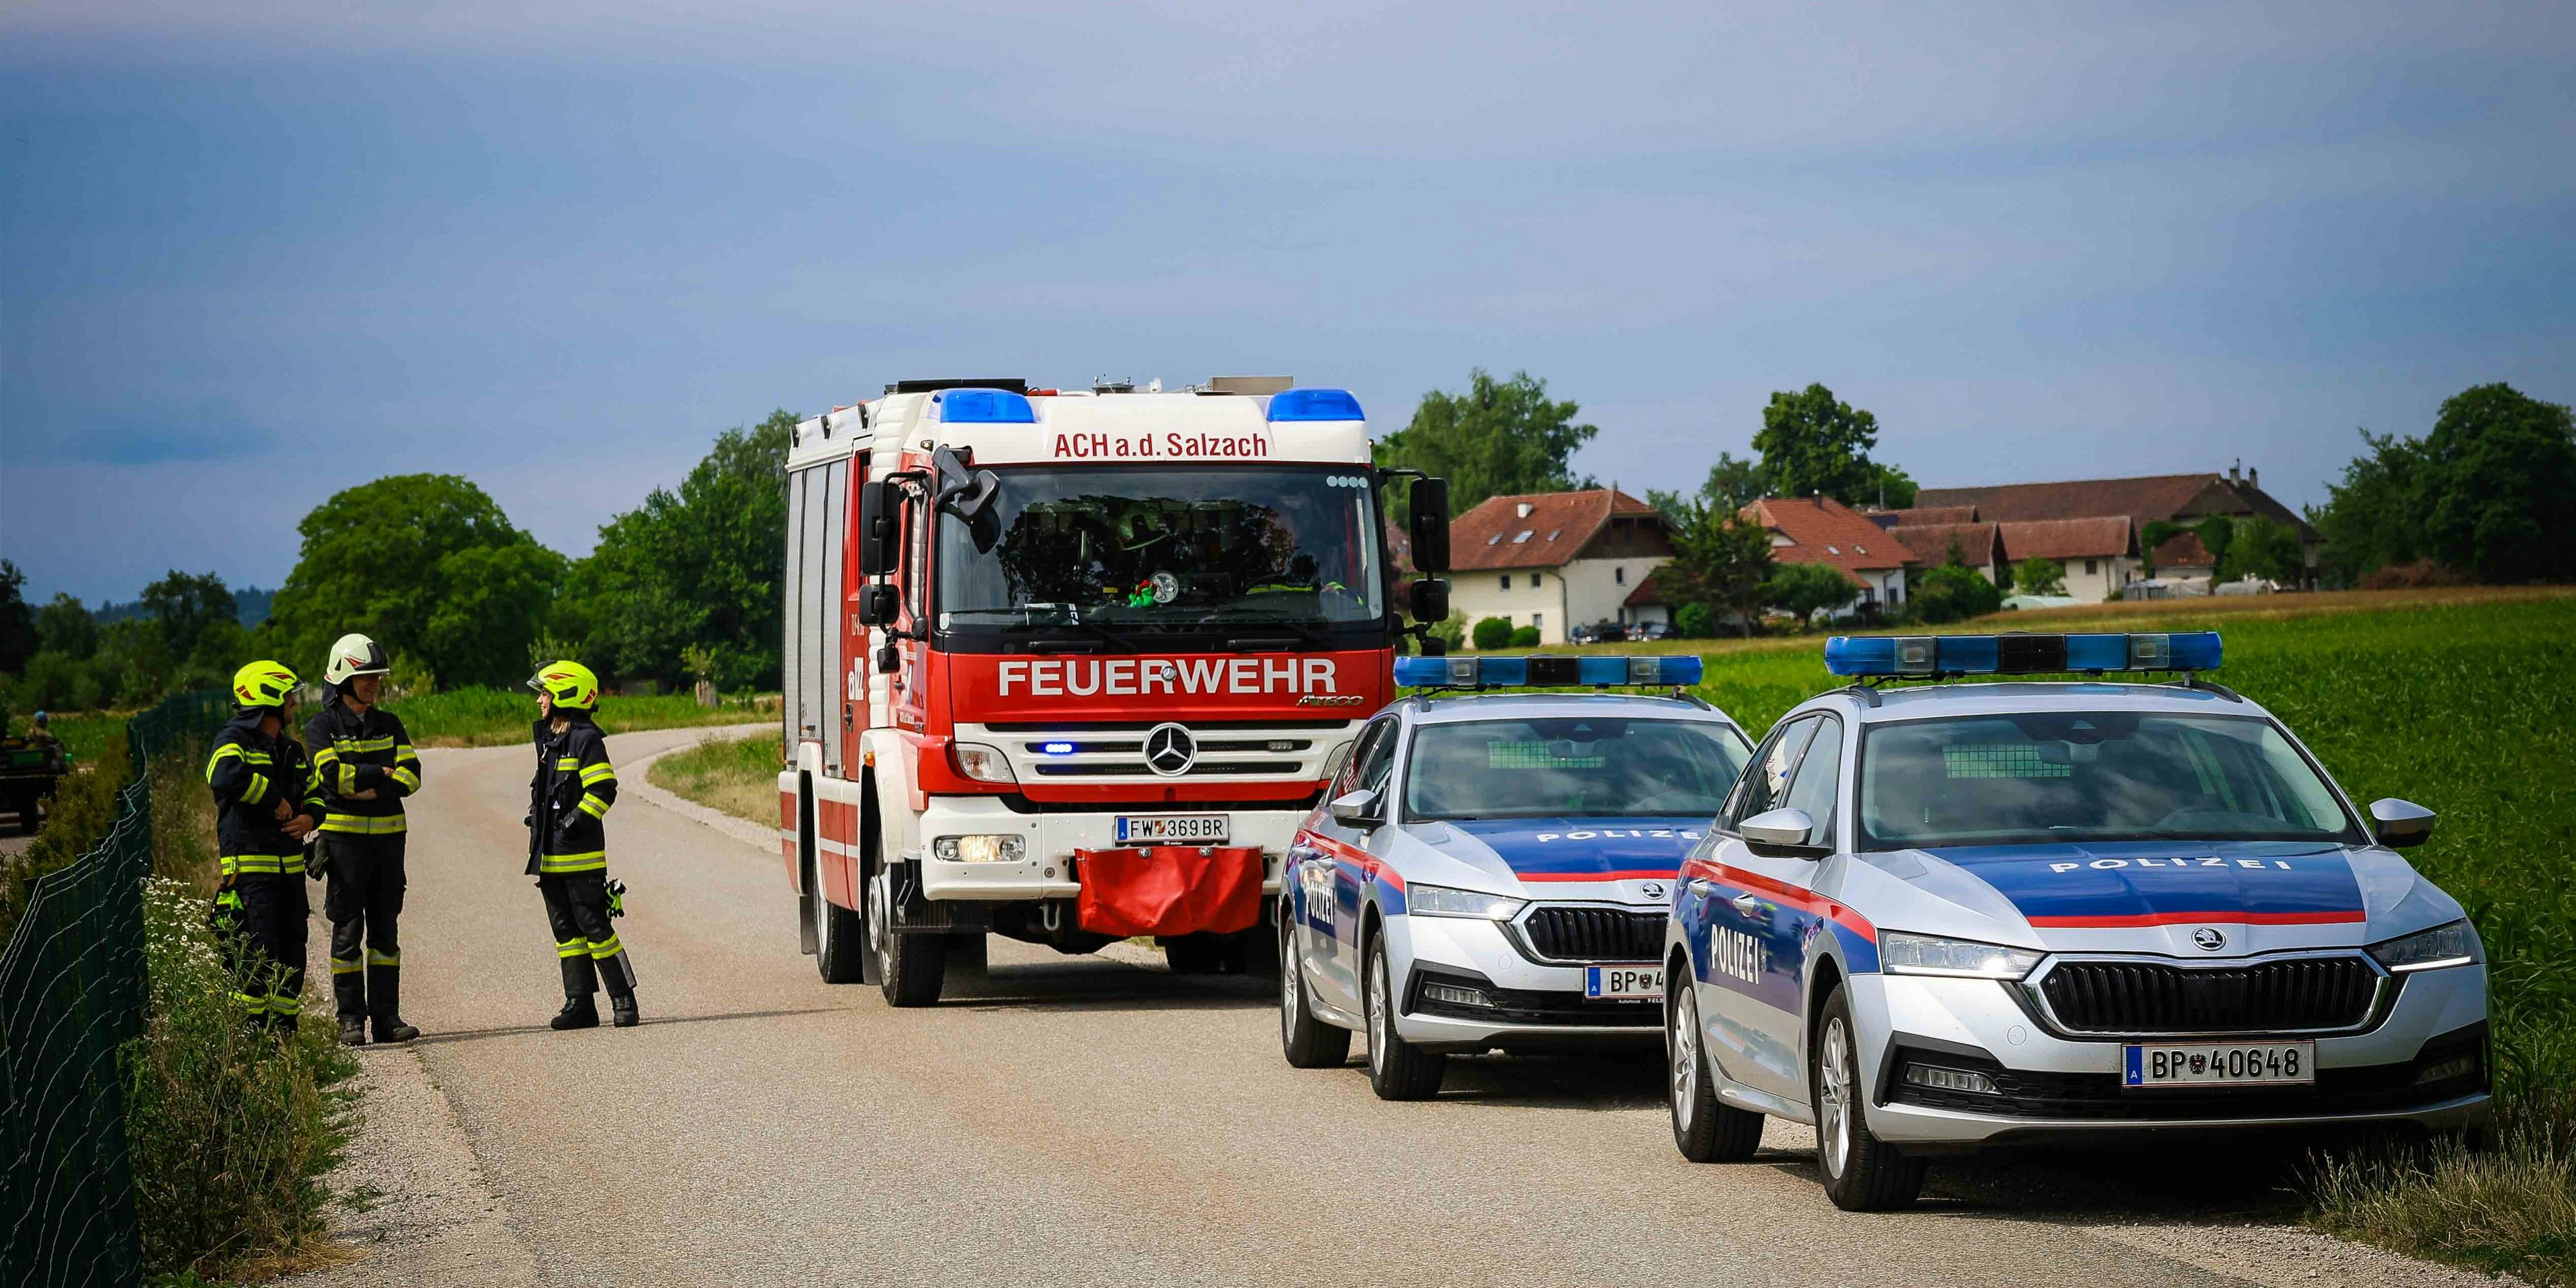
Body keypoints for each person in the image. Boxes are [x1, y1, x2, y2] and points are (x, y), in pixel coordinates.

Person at [305, 633, 424, 1046]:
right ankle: (351, 1020)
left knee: (386, 935)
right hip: (344, 847)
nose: (374, 684)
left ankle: (387, 1019)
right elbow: (333, 779)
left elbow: (412, 776)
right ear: (343, 679)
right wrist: (381, 775)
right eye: (367, 677)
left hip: (389, 846)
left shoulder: (390, 724)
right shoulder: (321, 727)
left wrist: (366, 782)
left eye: (377, 677)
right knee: (347, 932)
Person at [206, 661, 325, 1033]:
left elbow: (315, 794)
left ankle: (285, 1034)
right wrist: (273, 799)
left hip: (290, 876)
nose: (294, 703)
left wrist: (310, 820)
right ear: (269, 697)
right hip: (250, 876)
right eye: (289, 696)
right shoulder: (232, 742)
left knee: (291, 955)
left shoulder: (290, 750)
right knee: (256, 955)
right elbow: (222, 776)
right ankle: (252, 1036)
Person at [524, 660, 638, 1030]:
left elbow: (604, 789)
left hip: (580, 857)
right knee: (566, 935)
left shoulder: (585, 739)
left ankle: (623, 1000)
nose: (540, 700)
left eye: (545, 693)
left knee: (595, 928)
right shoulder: (549, 739)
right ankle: (580, 1004)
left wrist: (575, 821)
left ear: (565, 695)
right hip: (550, 859)